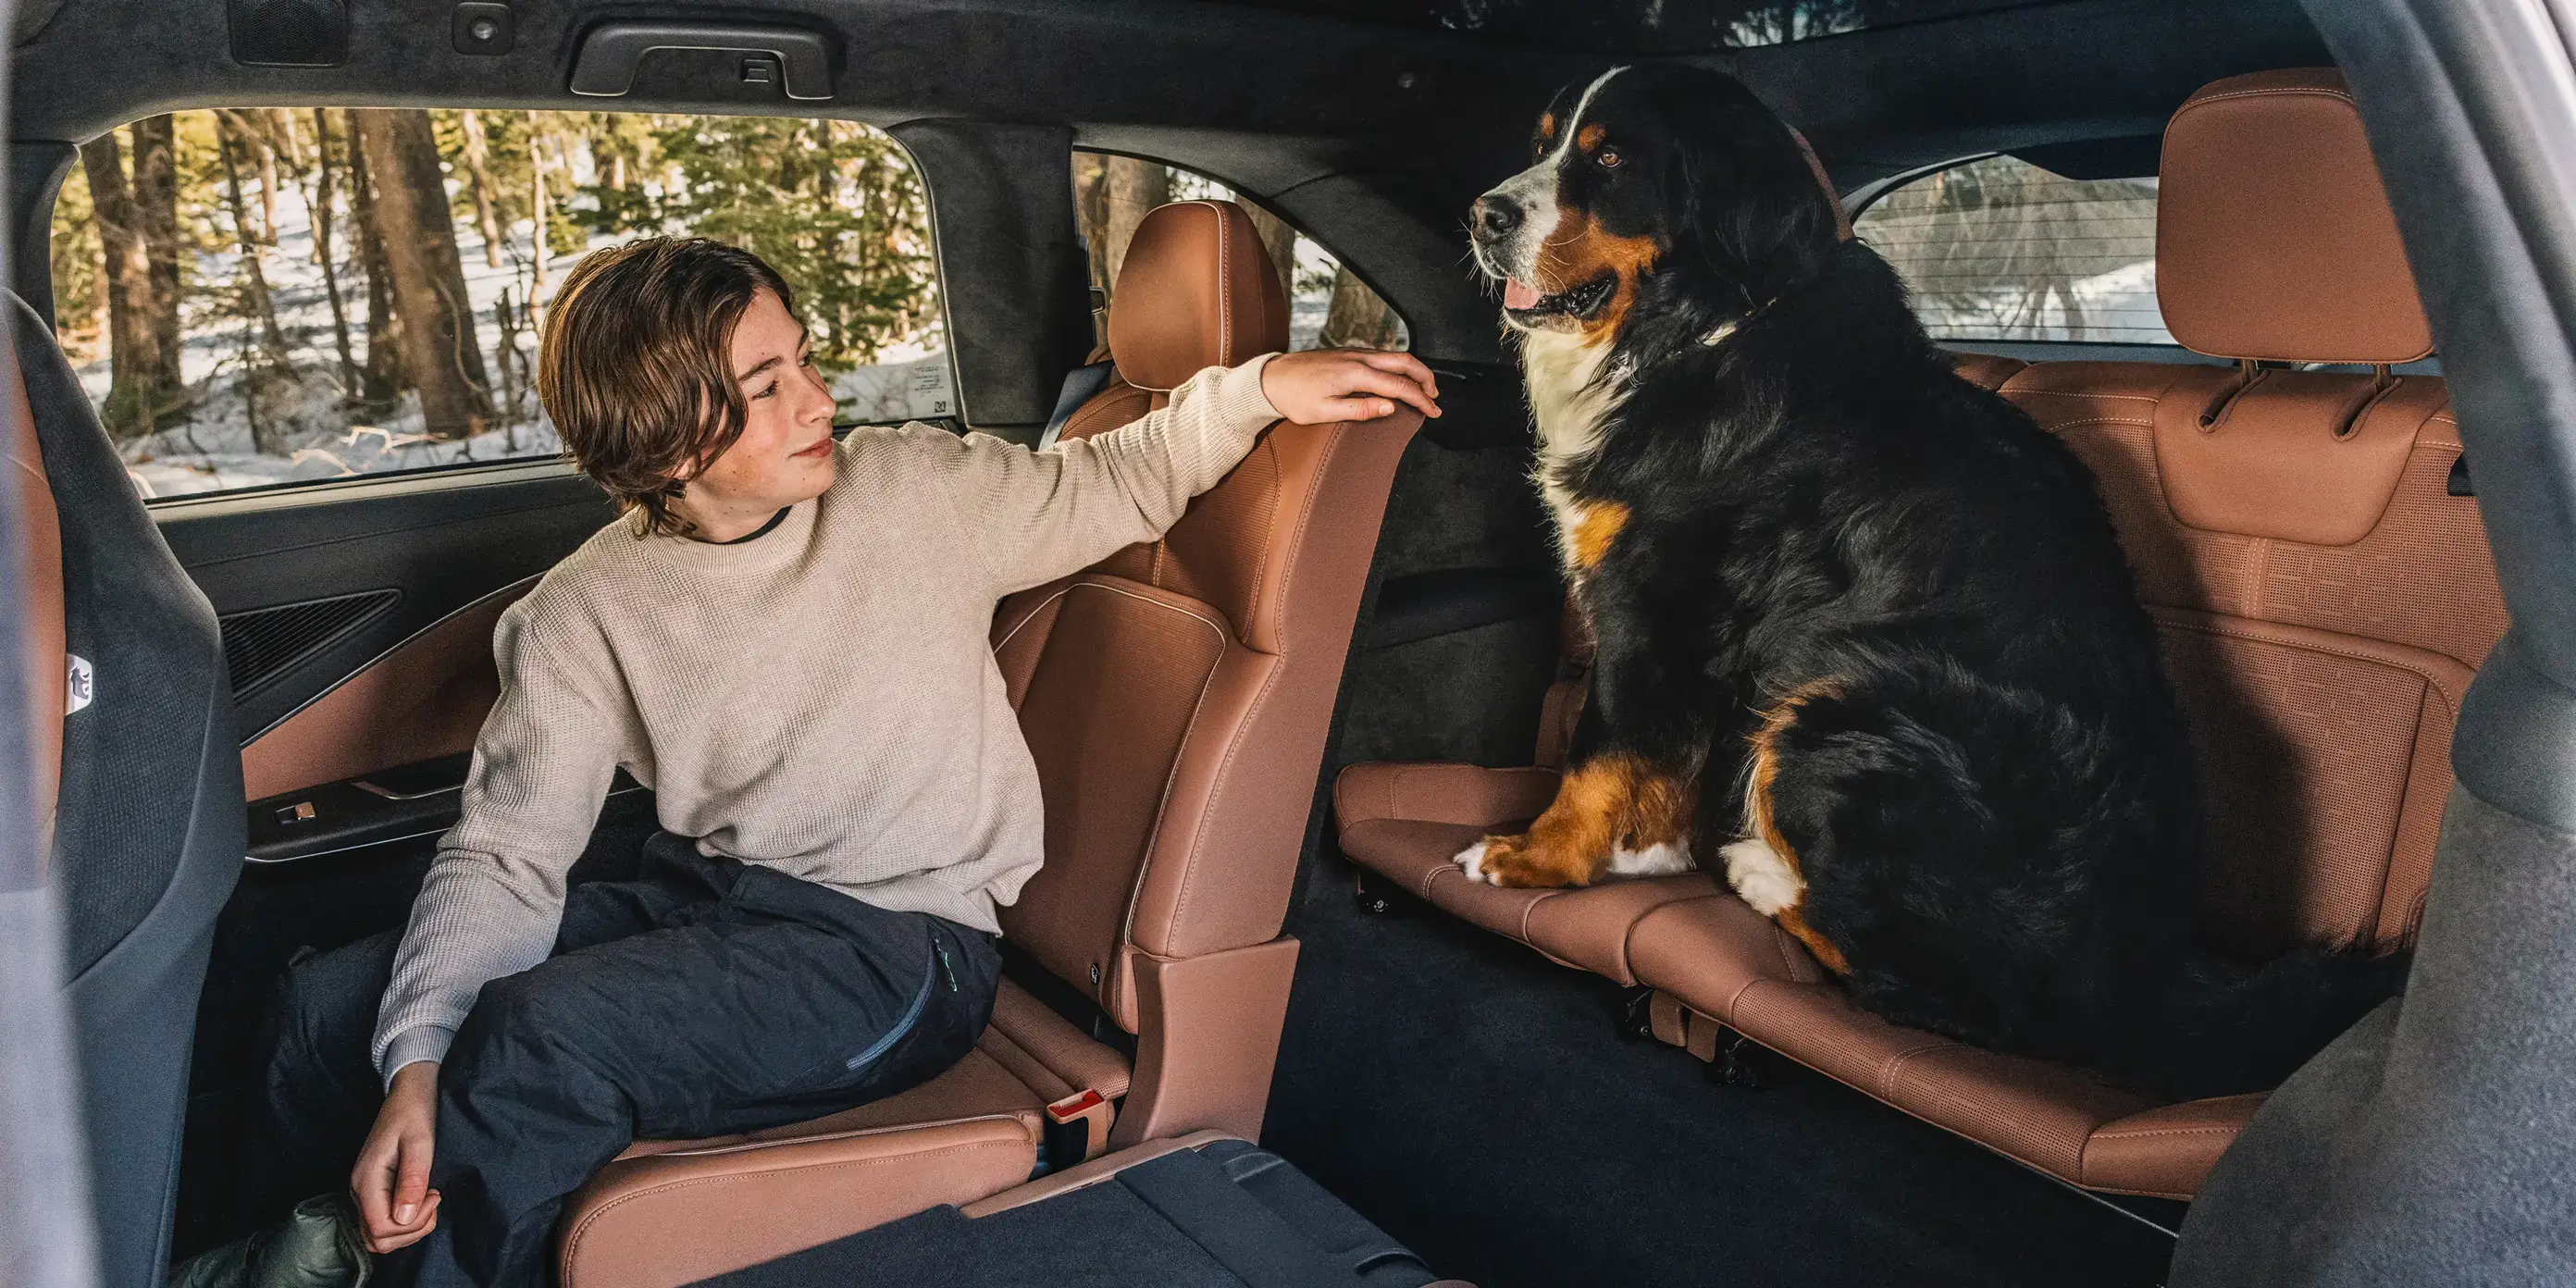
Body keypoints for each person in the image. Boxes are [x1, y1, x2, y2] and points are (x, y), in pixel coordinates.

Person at [257, 235, 1441, 1288]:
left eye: (807, 361)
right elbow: (510, 854)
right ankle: (348, 1234)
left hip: (897, 946)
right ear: (663, 441)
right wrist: (415, 1059)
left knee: (539, 1040)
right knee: (330, 1009)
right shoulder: (582, 615)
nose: (820, 400)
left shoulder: (907, 490)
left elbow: (1113, 481)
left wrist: (1256, 388)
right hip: (712, 900)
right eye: (766, 387)